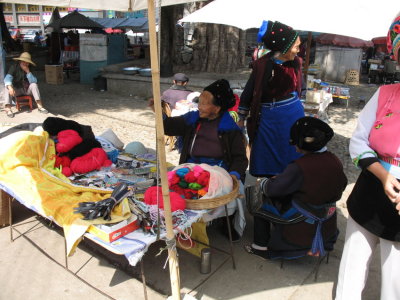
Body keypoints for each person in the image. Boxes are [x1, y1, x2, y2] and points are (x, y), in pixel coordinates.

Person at [335, 13, 400, 300]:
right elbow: (359, 142)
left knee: (393, 282)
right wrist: (384, 175)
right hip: (371, 190)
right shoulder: (385, 94)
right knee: (350, 269)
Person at [150, 79, 248, 239]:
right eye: (199, 102)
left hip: (218, 173)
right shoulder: (193, 119)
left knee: (207, 192)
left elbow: (240, 159)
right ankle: (178, 223)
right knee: (169, 185)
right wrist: (158, 112)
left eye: (204, 103)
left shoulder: (230, 130)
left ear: (217, 108)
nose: (199, 107)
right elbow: (168, 127)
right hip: (191, 169)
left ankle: (219, 222)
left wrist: (234, 175)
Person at [244, 117, 347, 259]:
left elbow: (273, 189)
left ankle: (260, 246)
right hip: (326, 222)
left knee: (257, 196)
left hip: (301, 227)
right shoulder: (334, 160)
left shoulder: (300, 167)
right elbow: (341, 185)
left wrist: (263, 182)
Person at [238, 20, 304, 177]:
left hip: (293, 114)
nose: (298, 51)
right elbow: (249, 90)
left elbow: (300, 86)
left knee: (291, 148)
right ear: (284, 47)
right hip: (270, 117)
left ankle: (290, 179)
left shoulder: (295, 63)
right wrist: (241, 116)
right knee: (269, 150)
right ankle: (269, 183)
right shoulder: (263, 65)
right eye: (296, 46)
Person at [3, 52, 48, 118]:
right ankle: (8, 108)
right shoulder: (14, 67)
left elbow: (34, 81)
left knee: (34, 85)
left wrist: (28, 71)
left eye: (27, 62)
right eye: (23, 61)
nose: (25, 63)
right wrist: (10, 87)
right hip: (17, 90)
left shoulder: (30, 68)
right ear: (20, 61)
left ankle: (40, 106)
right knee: (7, 87)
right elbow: (7, 78)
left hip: (26, 90)